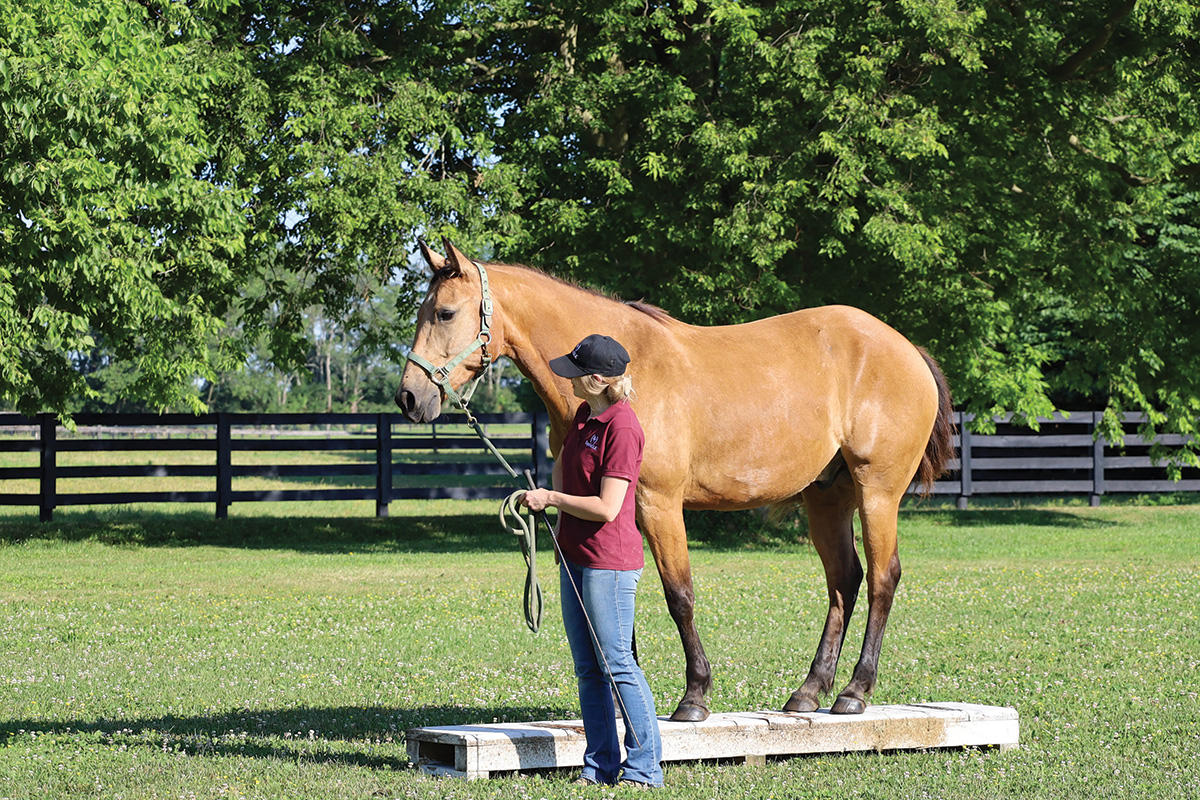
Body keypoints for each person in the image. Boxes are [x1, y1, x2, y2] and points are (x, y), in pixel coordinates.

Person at [521, 333, 664, 789]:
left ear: (598, 380)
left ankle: (644, 768)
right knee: (588, 667)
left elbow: (607, 507)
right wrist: (547, 491)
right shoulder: (585, 415)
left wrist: (551, 498)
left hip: (610, 562)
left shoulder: (624, 428)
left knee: (617, 662)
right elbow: (565, 463)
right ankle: (600, 765)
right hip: (575, 556)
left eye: (576, 375)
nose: (569, 381)